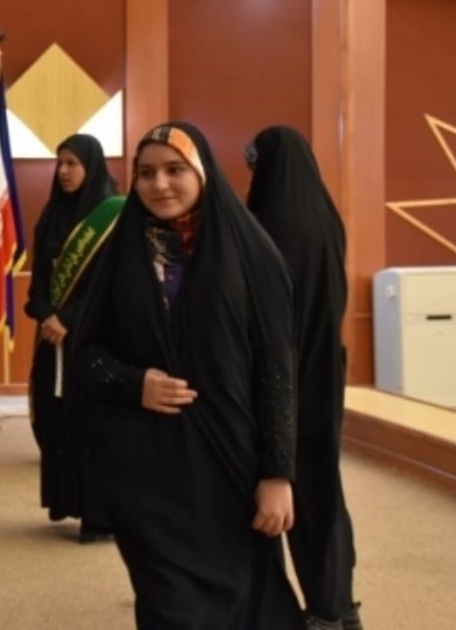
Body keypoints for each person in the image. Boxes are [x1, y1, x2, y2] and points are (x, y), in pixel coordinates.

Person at [71, 122, 304, 629]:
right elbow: (85, 352)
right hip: (146, 471)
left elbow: (277, 372)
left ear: (203, 173)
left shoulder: (253, 255)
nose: (159, 184)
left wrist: (278, 474)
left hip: (231, 468)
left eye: (175, 169)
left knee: (245, 604)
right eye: (146, 173)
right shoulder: (119, 255)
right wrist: (133, 383)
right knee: (170, 608)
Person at [246, 126, 362, 630]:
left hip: (283, 374)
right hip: (325, 367)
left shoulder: (268, 227)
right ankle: (336, 603)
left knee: (282, 487)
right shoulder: (325, 217)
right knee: (323, 486)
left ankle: (312, 610)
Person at [24, 134, 121, 543]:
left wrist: (68, 318)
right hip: (53, 338)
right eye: (59, 163)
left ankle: (100, 515)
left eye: (72, 164)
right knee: (57, 420)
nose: (63, 171)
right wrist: (46, 313)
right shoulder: (52, 214)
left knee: (93, 424)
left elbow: (111, 286)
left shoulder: (114, 216)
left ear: (91, 166)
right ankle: (69, 500)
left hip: (95, 338)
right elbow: (39, 281)